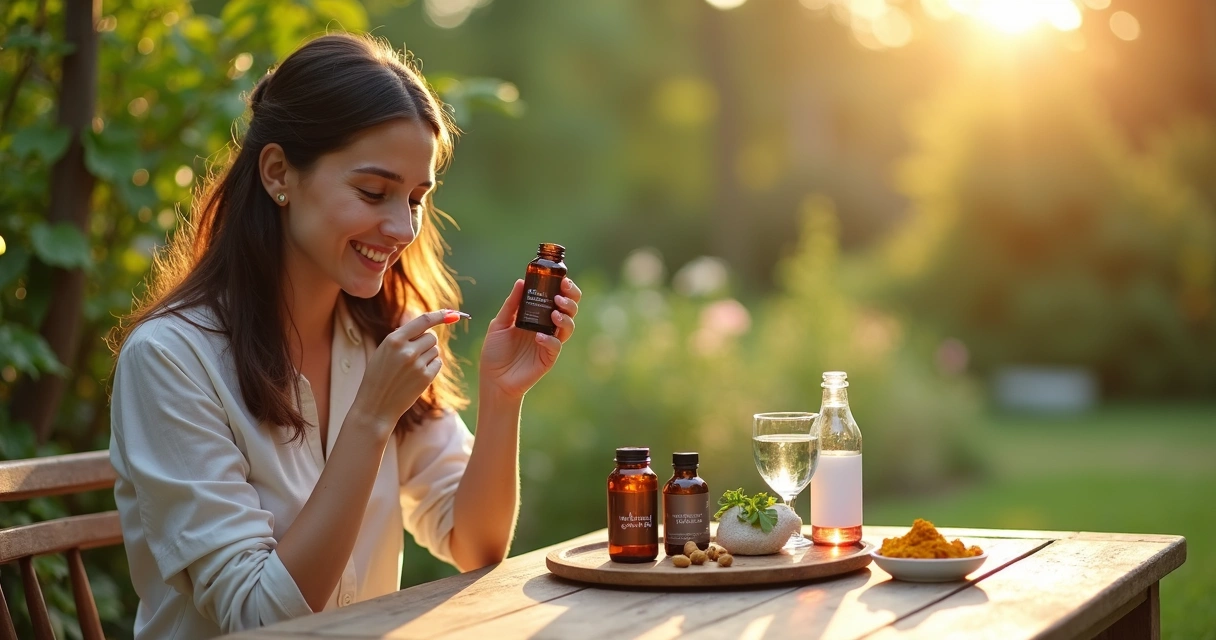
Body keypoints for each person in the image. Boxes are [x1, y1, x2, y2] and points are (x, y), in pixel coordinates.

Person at [107, 33, 581, 638]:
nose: (402, 227)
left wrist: (503, 395)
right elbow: (257, 615)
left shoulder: (376, 334)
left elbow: (475, 543)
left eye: (415, 199)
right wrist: (370, 419)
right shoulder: (172, 360)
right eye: (373, 192)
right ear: (279, 172)